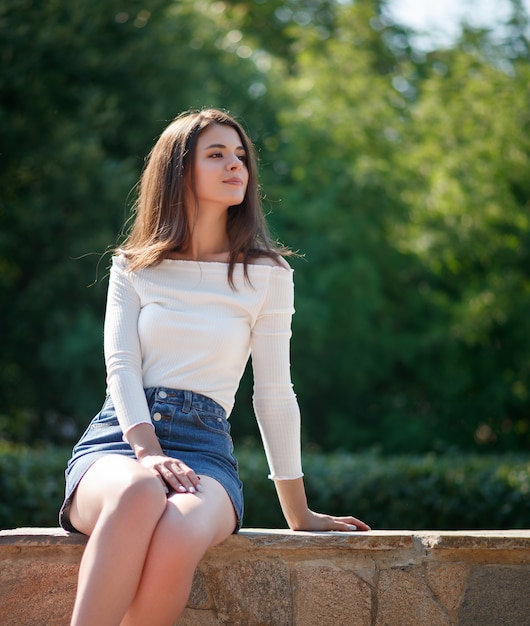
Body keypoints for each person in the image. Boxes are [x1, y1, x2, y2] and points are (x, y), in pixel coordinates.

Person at [59, 108, 370, 626]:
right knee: (138, 492)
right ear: (180, 170)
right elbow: (121, 364)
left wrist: (299, 512)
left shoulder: (268, 274)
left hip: (205, 450)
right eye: (217, 155)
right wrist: (148, 453)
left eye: (241, 156)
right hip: (122, 440)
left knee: (180, 529)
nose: (237, 167)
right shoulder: (134, 267)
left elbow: (274, 393)